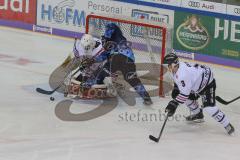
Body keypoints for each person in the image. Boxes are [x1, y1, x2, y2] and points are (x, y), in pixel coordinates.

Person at [163, 53, 235, 135]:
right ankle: (198, 114)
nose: (167, 67)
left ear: (174, 64)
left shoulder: (183, 74)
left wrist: (173, 104)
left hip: (207, 84)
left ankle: (227, 124)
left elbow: (184, 95)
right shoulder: (177, 68)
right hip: (196, 83)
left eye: (168, 65)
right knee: (176, 95)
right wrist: (176, 90)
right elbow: (180, 84)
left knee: (209, 108)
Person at [95, 22, 153, 105]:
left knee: (102, 71)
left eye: (108, 30)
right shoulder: (121, 38)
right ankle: (146, 97)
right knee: (132, 78)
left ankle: (97, 87)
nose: (106, 32)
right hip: (129, 60)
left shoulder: (111, 40)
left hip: (117, 59)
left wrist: (95, 60)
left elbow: (104, 55)